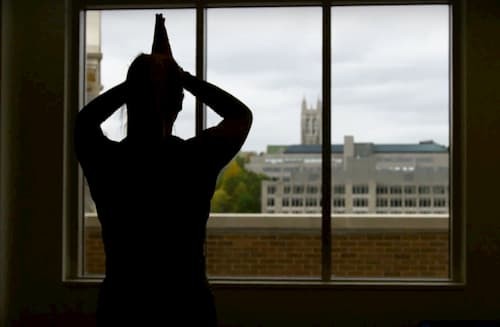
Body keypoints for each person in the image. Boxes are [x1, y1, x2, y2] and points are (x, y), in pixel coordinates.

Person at [75, 14, 252, 326]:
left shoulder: (108, 162)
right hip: (187, 307)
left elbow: (84, 122)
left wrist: (140, 81)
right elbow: (240, 115)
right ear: (180, 103)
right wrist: (180, 75)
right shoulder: (194, 160)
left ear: (129, 100)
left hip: (122, 306)